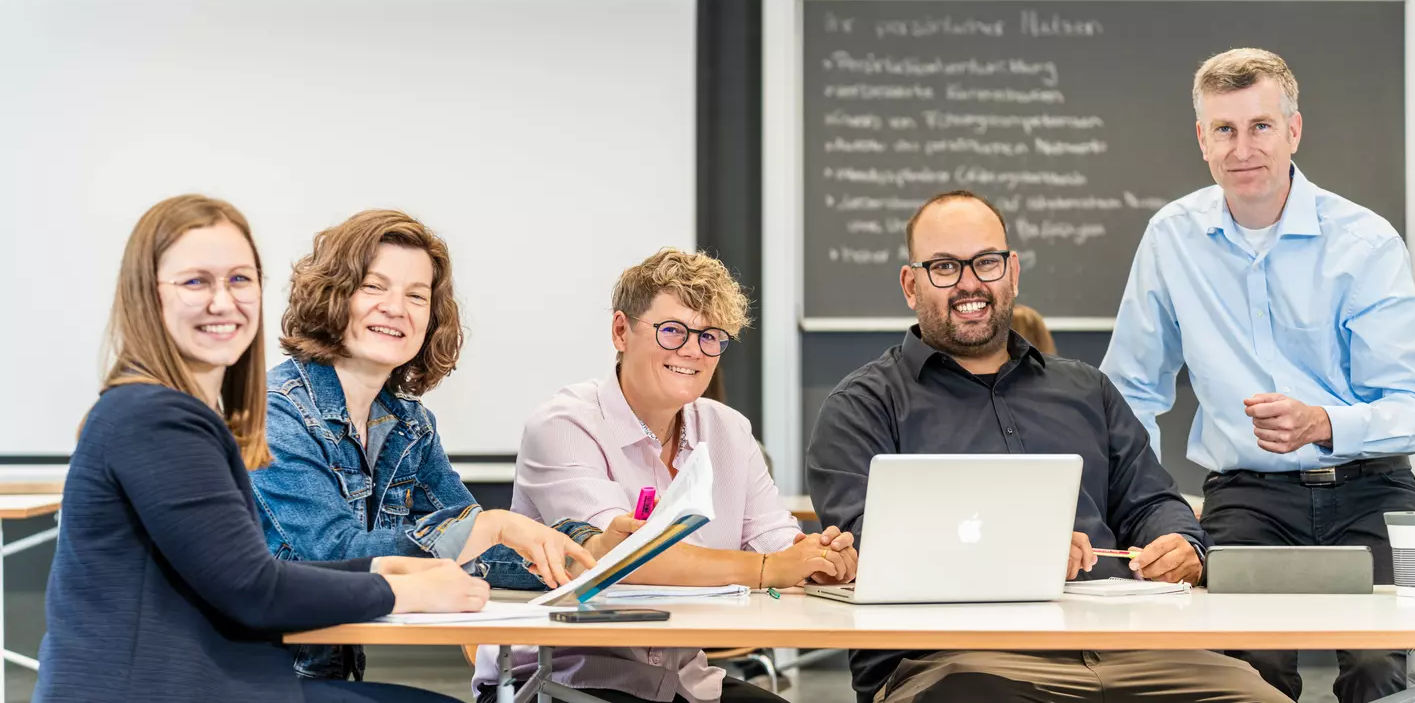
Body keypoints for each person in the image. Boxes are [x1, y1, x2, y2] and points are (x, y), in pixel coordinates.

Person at [807, 191, 1290, 703]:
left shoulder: (1087, 390)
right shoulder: (861, 407)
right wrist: (1019, 555)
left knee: (1258, 698)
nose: (970, 282)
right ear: (911, 284)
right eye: (945, 266)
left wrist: (1181, 546)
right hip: (960, 662)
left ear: (1012, 272)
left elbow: (1152, 502)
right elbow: (869, 553)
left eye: (986, 262)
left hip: (1132, 648)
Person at [35, 194, 490, 703]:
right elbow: (253, 590)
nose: (223, 302)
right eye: (195, 282)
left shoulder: (174, 411)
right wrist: (399, 589)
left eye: (240, 280)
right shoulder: (155, 416)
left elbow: (243, 571)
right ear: (147, 295)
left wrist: (378, 568)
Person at [1100, 48, 1415, 703]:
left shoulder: (1365, 243)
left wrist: (1325, 422)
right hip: (1249, 498)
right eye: (1224, 129)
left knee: (1377, 671)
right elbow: (1132, 391)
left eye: (1260, 126)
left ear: (1294, 131)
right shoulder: (1172, 238)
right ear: (1202, 139)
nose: (1242, 147)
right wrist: (1141, 505)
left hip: (1369, 491)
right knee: (1246, 671)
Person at [474, 248, 859, 703]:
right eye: (673, 331)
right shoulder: (564, 424)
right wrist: (769, 570)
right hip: (561, 679)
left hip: (683, 682)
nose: (694, 351)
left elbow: (775, 539)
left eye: (711, 336)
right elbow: (623, 561)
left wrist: (818, 562)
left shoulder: (729, 431)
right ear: (621, 331)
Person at [249, 209, 606, 681]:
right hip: (259, 680)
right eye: (374, 287)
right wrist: (489, 526)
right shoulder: (275, 412)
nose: (397, 308)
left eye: (417, 296)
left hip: (328, 678)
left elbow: (476, 547)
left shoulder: (409, 423)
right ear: (332, 296)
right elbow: (335, 556)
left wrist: (590, 551)